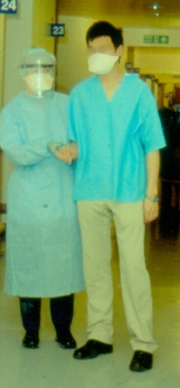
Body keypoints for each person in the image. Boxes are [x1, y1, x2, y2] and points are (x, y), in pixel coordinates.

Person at [57, 21, 166, 372]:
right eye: (90, 50)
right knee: (95, 267)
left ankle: (143, 342)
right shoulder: (80, 94)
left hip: (131, 190)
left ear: (118, 51)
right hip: (89, 189)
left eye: (102, 50)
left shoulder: (139, 93)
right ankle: (99, 336)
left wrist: (152, 194)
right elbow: (75, 138)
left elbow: (153, 146)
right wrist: (70, 150)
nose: (95, 56)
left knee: (134, 268)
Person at [0, 48, 84, 349]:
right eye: (34, 69)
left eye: (47, 68)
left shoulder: (68, 104)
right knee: (29, 263)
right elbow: (16, 151)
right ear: (22, 73)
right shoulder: (12, 111)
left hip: (63, 191)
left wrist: (74, 146)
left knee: (65, 264)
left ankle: (63, 330)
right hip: (28, 196)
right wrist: (47, 145)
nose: (41, 74)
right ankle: (31, 330)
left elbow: (81, 135)